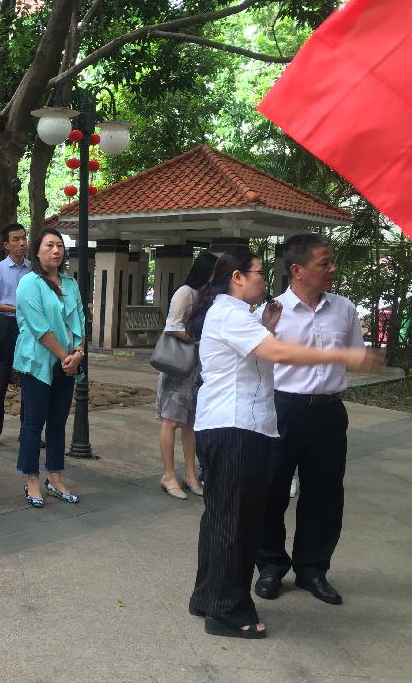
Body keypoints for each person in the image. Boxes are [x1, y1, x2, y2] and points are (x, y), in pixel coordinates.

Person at [184, 247, 379, 639]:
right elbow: (276, 353)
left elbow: (253, 358)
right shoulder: (230, 313)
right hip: (235, 426)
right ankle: (227, 611)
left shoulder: (238, 314)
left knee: (223, 517)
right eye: (258, 272)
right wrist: (341, 354)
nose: (264, 280)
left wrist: (268, 327)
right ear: (237, 277)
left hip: (236, 425)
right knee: (236, 521)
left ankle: (208, 596)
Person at [254, 234, 365, 606]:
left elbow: (354, 355)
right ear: (297, 270)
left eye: (332, 262)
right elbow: (254, 363)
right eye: (324, 263)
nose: (332, 269)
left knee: (325, 493)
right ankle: (270, 565)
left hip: (329, 412)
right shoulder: (271, 312)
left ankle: (312, 569)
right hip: (282, 408)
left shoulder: (344, 309)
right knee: (271, 490)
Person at [14, 228, 84, 508]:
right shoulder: (29, 283)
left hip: (67, 364)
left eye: (60, 246)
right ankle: (31, 478)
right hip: (37, 363)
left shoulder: (71, 284)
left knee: (58, 421)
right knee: (33, 423)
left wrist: (78, 353)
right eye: (49, 245)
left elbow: (80, 321)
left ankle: (54, 476)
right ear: (37, 251)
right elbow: (39, 327)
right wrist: (67, 357)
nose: (56, 251)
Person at [156, 252, 217, 499]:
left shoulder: (209, 296)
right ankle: (168, 475)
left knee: (191, 422)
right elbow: (172, 326)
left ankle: (191, 475)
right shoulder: (185, 293)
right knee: (171, 420)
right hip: (179, 366)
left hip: (197, 369)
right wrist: (201, 340)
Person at [0, 222, 30, 449]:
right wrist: (13, 309)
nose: (22, 243)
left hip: (28, 328)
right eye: (16, 239)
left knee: (28, 380)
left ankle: (27, 431)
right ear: (6, 245)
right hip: (4, 326)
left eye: (24, 238)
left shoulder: (33, 269)